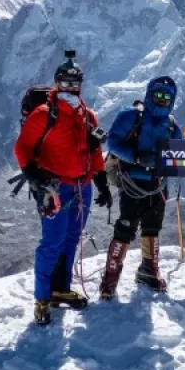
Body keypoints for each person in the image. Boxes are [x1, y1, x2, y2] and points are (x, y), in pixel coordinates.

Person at [14, 51, 113, 326]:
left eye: (75, 83)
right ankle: (42, 298)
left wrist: (101, 182)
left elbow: (93, 152)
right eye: (66, 83)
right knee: (52, 242)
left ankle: (60, 288)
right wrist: (33, 175)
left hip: (82, 187)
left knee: (71, 239)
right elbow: (21, 147)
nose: (71, 87)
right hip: (54, 188)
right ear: (57, 83)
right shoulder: (44, 114)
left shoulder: (88, 116)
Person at [101, 76, 182, 296]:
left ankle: (148, 271)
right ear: (149, 94)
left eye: (167, 96)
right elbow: (113, 143)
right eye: (158, 95)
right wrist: (136, 157)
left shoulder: (172, 124)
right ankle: (110, 277)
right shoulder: (131, 116)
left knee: (152, 228)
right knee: (125, 228)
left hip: (158, 184)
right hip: (132, 181)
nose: (162, 99)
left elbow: (179, 153)